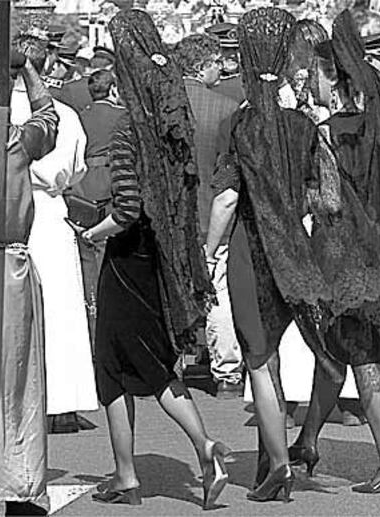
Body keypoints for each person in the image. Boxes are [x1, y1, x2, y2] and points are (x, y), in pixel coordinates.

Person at [71, 9, 229, 509]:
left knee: (123, 366)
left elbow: (126, 210)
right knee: (149, 362)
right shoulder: (169, 124)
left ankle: (175, 460)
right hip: (163, 257)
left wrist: (92, 234)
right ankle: (145, 468)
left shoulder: (127, 133)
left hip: (126, 259)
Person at [206, 6, 332, 501]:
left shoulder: (241, 123)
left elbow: (227, 196)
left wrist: (207, 249)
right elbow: (323, 196)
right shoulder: (303, 126)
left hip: (248, 247)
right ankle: (285, 454)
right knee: (292, 347)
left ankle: (277, 463)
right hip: (294, 244)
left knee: (260, 361)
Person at [286, 11, 380, 493]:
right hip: (375, 245)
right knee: (336, 351)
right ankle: (308, 439)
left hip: (343, 253)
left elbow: (322, 198)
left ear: (331, 76)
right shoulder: (373, 124)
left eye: (315, 76)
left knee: (360, 354)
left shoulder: (331, 132)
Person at [0, 50, 57, 516]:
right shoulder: (12, 141)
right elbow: (48, 117)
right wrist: (27, 71)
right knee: (13, 387)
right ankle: (19, 484)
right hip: (5, 270)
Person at [11, 35, 98, 434]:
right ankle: (60, 401)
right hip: (45, 206)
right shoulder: (62, 113)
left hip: (4, 208)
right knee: (60, 307)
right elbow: (74, 169)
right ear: (45, 66)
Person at [172, 34, 244, 398]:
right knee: (218, 294)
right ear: (202, 66)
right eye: (218, 61)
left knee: (170, 290)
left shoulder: (161, 105)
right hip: (211, 212)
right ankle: (228, 372)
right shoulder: (226, 109)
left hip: (170, 216)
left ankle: (170, 362)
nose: (223, 67)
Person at [67, 68, 126, 346]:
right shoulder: (121, 117)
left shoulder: (80, 116)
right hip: (110, 191)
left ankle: (90, 324)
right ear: (113, 89)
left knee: (86, 264)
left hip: (82, 193)